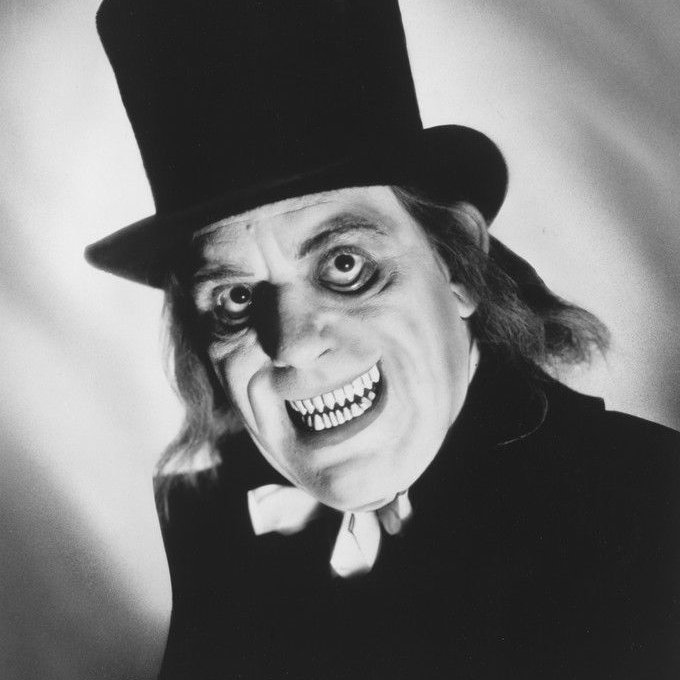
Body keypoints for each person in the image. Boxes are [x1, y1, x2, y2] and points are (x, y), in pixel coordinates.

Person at [85, 0, 680, 678]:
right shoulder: (210, 527)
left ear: (457, 265)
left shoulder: (651, 511)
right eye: (236, 299)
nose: (293, 344)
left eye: (344, 265)